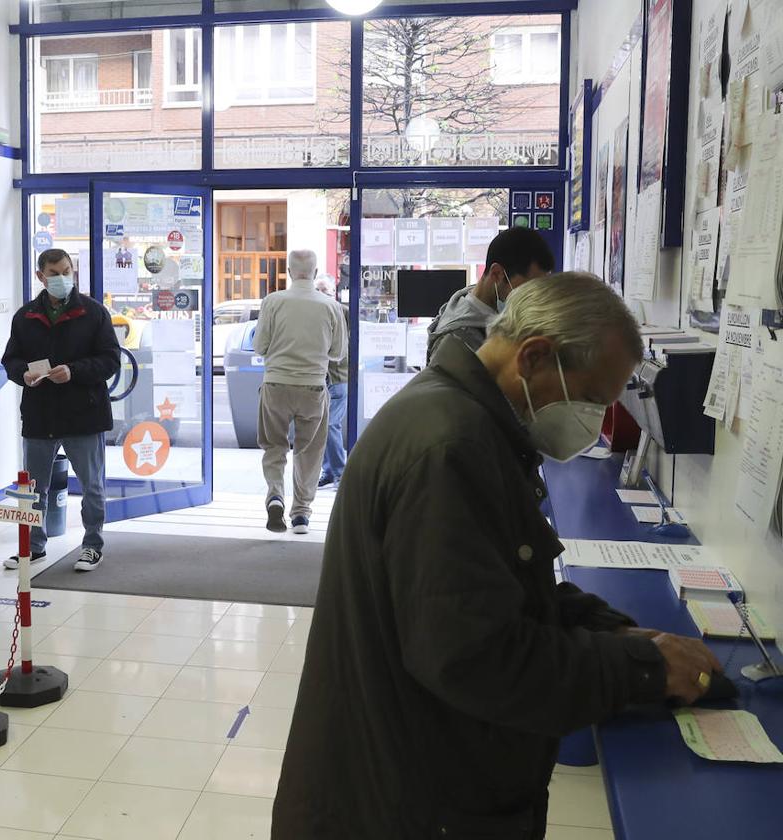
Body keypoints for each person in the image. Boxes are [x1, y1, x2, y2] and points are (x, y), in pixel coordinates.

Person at [273, 273, 721, 839]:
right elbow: (476, 659)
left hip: (417, 772)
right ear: (534, 357)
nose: (595, 424)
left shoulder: (464, 418)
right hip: (406, 801)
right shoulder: (451, 450)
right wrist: (642, 672)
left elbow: (502, 585)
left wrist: (620, 636)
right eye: (591, 400)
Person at [1, 249, 120, 572]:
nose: (62, 278)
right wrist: (22, 373)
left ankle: (93, 546)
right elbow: (10, 360)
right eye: (54, 273)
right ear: (41, 276)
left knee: (92, 485)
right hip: (40, 415)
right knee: (33, 488)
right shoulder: (25, 317)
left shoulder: (93, 313)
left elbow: (110, 360)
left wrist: (75, 371)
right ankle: (33, 547)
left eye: (67, 271)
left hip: (84, 414)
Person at [253, 250, 347, 535]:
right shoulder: (330, 307)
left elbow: (259, 347)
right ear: (316, 272)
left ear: (290, 273)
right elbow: (338, 352)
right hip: (313, 387)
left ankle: (275, 495)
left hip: (275, 385)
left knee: (274, 446)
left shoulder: (273, 302)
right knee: (309, 451)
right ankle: (301, 515)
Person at [426, 226, 555, 364]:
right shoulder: (457, 340)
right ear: (497, 274)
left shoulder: (491, 316)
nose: (532, 297)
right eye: (527, 288)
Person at [315, 275, 349, 489]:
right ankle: (329, 470)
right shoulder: (319, 312)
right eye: (318, 291)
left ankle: (340, 472)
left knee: (329, 424)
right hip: (322, 376)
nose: (321, 296)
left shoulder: (340, 311)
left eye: (324, 291)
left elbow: (344, 346)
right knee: (322, 426)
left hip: (338, 376)